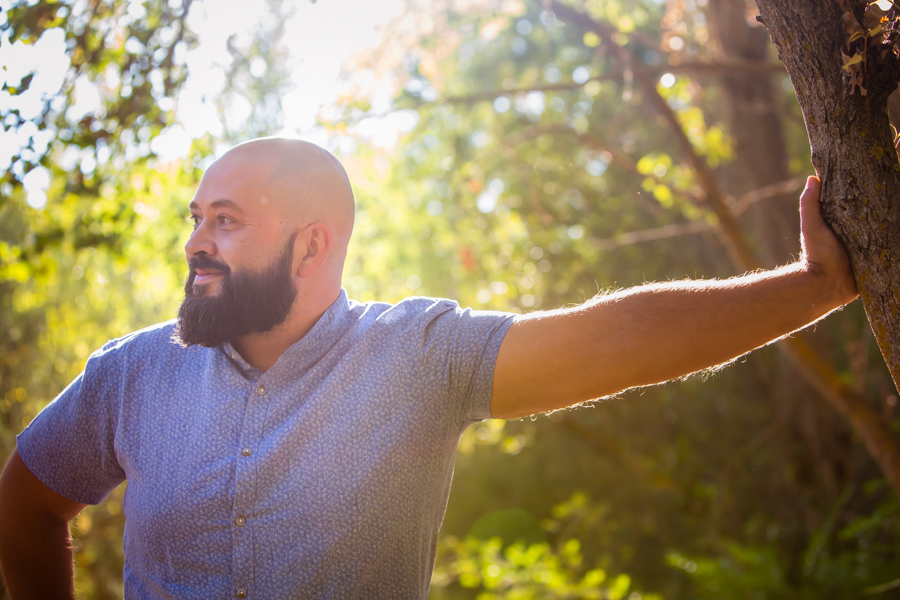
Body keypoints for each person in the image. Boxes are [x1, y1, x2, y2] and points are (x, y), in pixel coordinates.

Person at [0, 138, 857, 599]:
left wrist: (813, 287)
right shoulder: (133, 373)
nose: (195, 242)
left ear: (312, 244)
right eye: (197, 218)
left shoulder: (415, 357)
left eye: (225, 221)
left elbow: (615, 340)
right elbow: (26, 499)